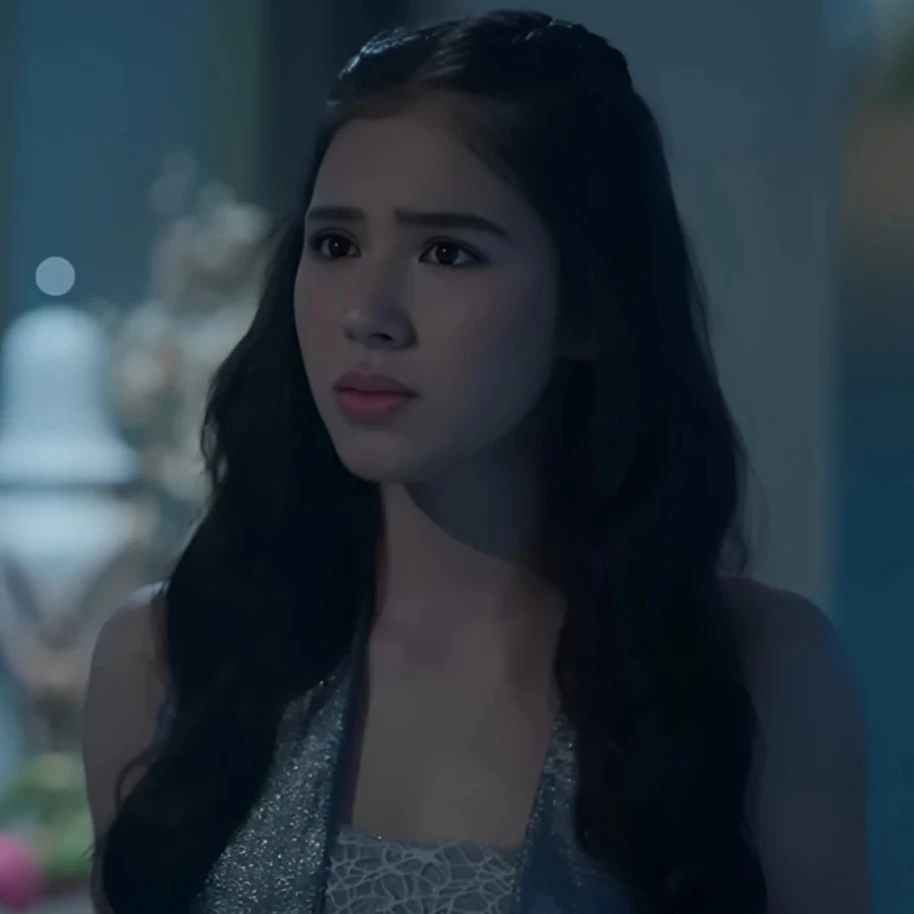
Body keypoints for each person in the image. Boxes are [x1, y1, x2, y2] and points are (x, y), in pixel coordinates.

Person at [82, 9, 871, 914]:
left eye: (447, 252)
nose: (368, 314)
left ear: (587, 308)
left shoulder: (759, 673)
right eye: (336, 244)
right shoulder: (170, 663)